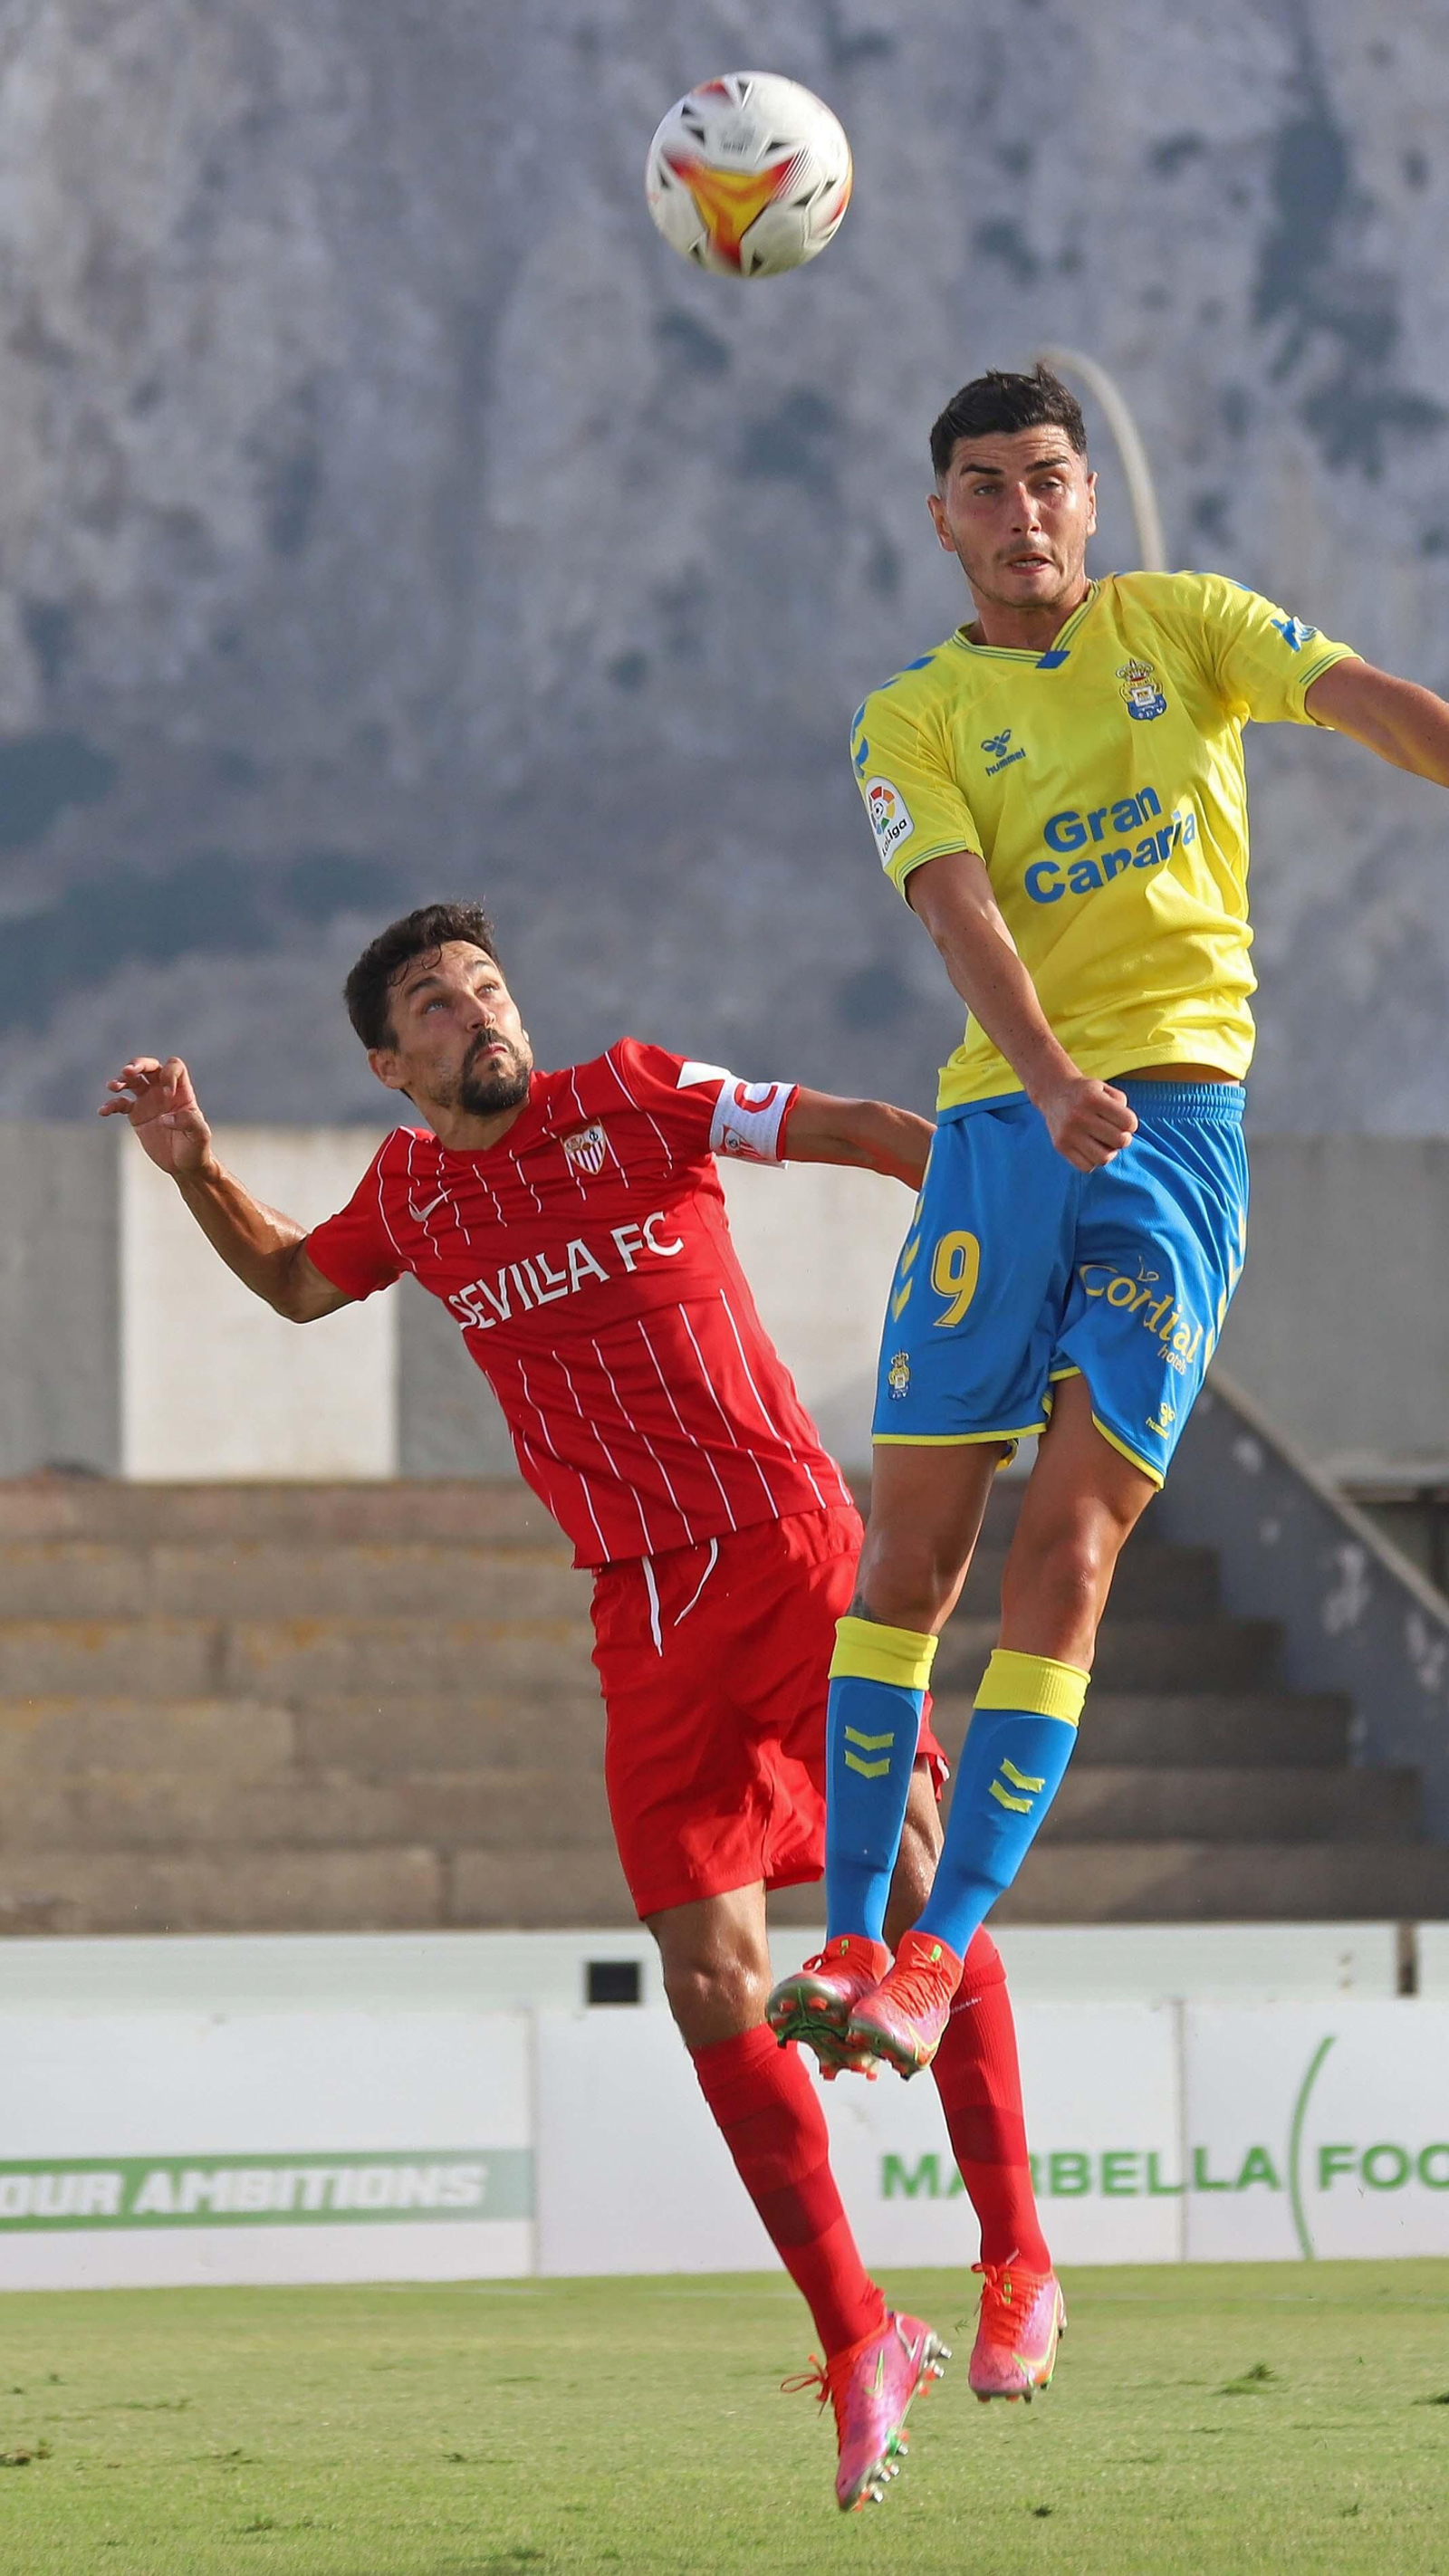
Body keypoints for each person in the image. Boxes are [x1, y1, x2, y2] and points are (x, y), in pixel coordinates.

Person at [99, 899, 1060, 2513]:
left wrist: (999, 1218)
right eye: (433, 998)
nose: (476, 1005)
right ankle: (857, 2336)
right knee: (706, 1979)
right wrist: (194, 1161)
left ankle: (1016, 2253)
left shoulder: (633, 1089)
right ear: (391, 1063)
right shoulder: (410, 1194)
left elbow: (871, 1131)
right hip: (642, 1610)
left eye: (485, 980)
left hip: (790, 1547)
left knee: (906, 1880)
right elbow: (288, 1283)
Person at [768, 361, 1449, 2121]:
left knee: (1066, 1557)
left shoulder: (1182, 624)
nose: (1021, 513)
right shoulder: (905, 717)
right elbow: (954, 909)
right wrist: (1047, 1078)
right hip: (1003, 1143)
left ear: (1089, 499)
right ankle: (849, 1935)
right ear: (940, 519)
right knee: (904, 1559)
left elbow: (1372, 704)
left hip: (1170, 1139)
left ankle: (934, 1957)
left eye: (1047, 480)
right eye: (983, 487)